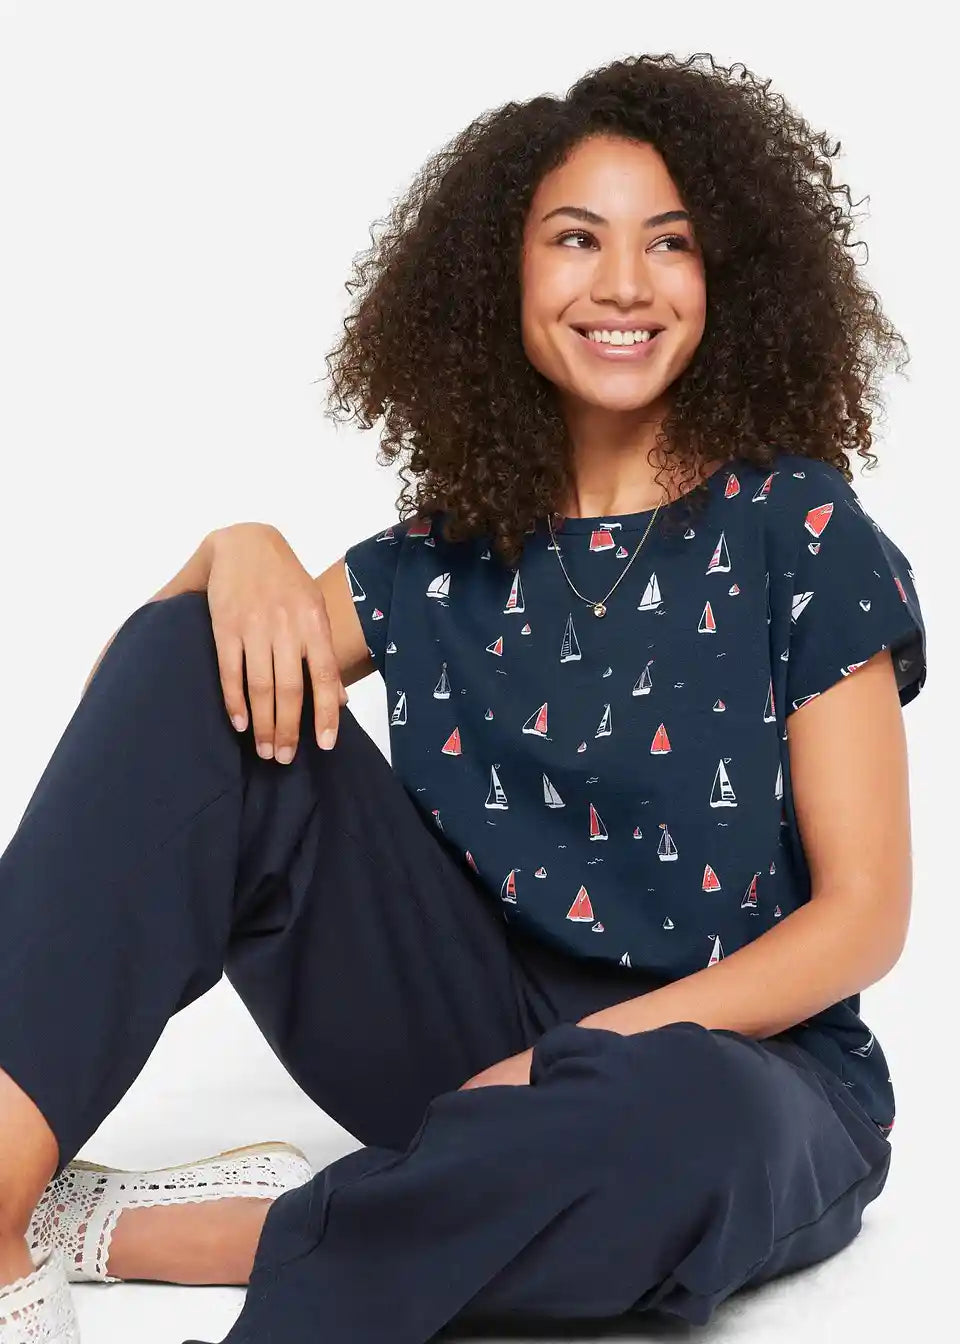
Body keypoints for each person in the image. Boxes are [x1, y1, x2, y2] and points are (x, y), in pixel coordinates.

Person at [0, 50, 926, 1344]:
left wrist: (578, 1061)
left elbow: (864, 919)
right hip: (467, 1041)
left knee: (670, 1137)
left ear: (731, 276)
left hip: (739, 1077)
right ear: (504, 276)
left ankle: (186, 1235)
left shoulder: (797, 527)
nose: (624, 283)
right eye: (576, 239)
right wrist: (234, 553)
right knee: (202, 651)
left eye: (669, 242)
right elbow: (148, 742)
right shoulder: (441, 557)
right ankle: (4, 1197)